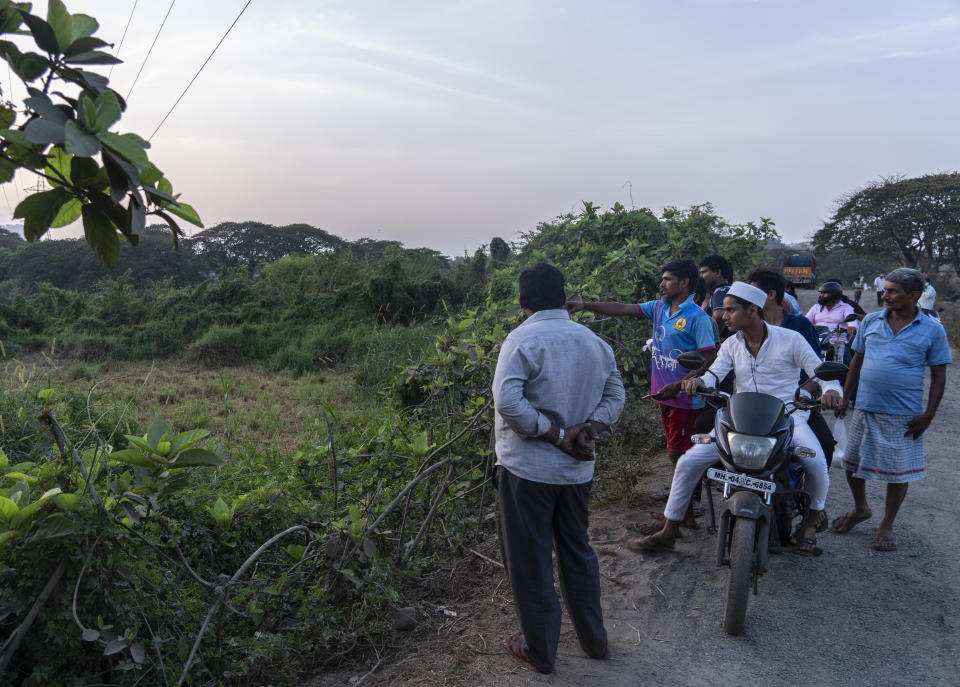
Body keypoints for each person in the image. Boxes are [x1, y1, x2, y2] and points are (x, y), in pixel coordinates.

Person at [628, 282, 842, 555]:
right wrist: (697, 382)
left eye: (731, 310)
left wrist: (832, 391)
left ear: (753, 310)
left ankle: (811, 523)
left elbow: (822, 372)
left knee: (815, 462)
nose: (723, 316)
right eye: (724, 310)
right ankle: (669, 530)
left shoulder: (791, 339)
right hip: (740, 419)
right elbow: (713, 374)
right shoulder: (731, 344)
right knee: (688, 462)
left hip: (787, 416)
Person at [493, 262, 626, 674]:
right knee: (577, 551)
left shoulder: (520, 341)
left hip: (527, 472)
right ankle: (595, 641)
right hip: (576, 473)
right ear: (564, 297)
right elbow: (616, 392)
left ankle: (540, 651)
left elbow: (508, 403)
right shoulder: (593, 342)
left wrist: (555, 434)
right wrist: (590, 429)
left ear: (522, 301)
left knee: (530, 559)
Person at [566, 259, 717, 517]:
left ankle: (684, 510)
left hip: (685, 399)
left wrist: (681, 384)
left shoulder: (696, 317)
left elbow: (710, 358)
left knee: (677, 453)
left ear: (684, 282)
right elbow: (623, 308)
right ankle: (682, 501)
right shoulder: (659, 308)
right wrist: (583, 305)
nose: (662, 283)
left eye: (668, 279)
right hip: (665, 396)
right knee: (677, 452)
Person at [832, 268, 951, 552]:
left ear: (914, 296)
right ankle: (861, 508)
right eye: (885, 290)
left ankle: (887, 524)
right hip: (865, 407)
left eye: (893, 291)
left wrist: (928, 415)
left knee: (899, 472)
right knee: (852, 463)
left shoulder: (932, 329)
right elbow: (856, 362)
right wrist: (846, 398)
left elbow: (939, 376)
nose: (885, 295)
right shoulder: (871, 321)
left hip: (903, 413)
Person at [749, 268, 837, 471]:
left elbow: (817, 371)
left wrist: (805, 393)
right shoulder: (749, 325)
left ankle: (809, 496)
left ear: (771, 295)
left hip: (794, 403)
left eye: (754, 293)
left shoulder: (799, 326)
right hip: (754, 404)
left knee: (825, 444)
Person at [806, 282, 858, 359]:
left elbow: (852, 322)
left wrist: (851, 326)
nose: (821, 296)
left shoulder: (846, 307)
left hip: (837, 341)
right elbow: (806, 321)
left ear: (834, 295)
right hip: (818, 341)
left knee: (846, 363)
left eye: (824, 294)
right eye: (821, 293)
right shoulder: (816, 307)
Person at [699, 254, 732, 337]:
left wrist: (711, 340)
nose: (701, 276)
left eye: (704, 272)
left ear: (717, 272)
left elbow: (719, 315)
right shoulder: (731, 290)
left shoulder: (719, 292)